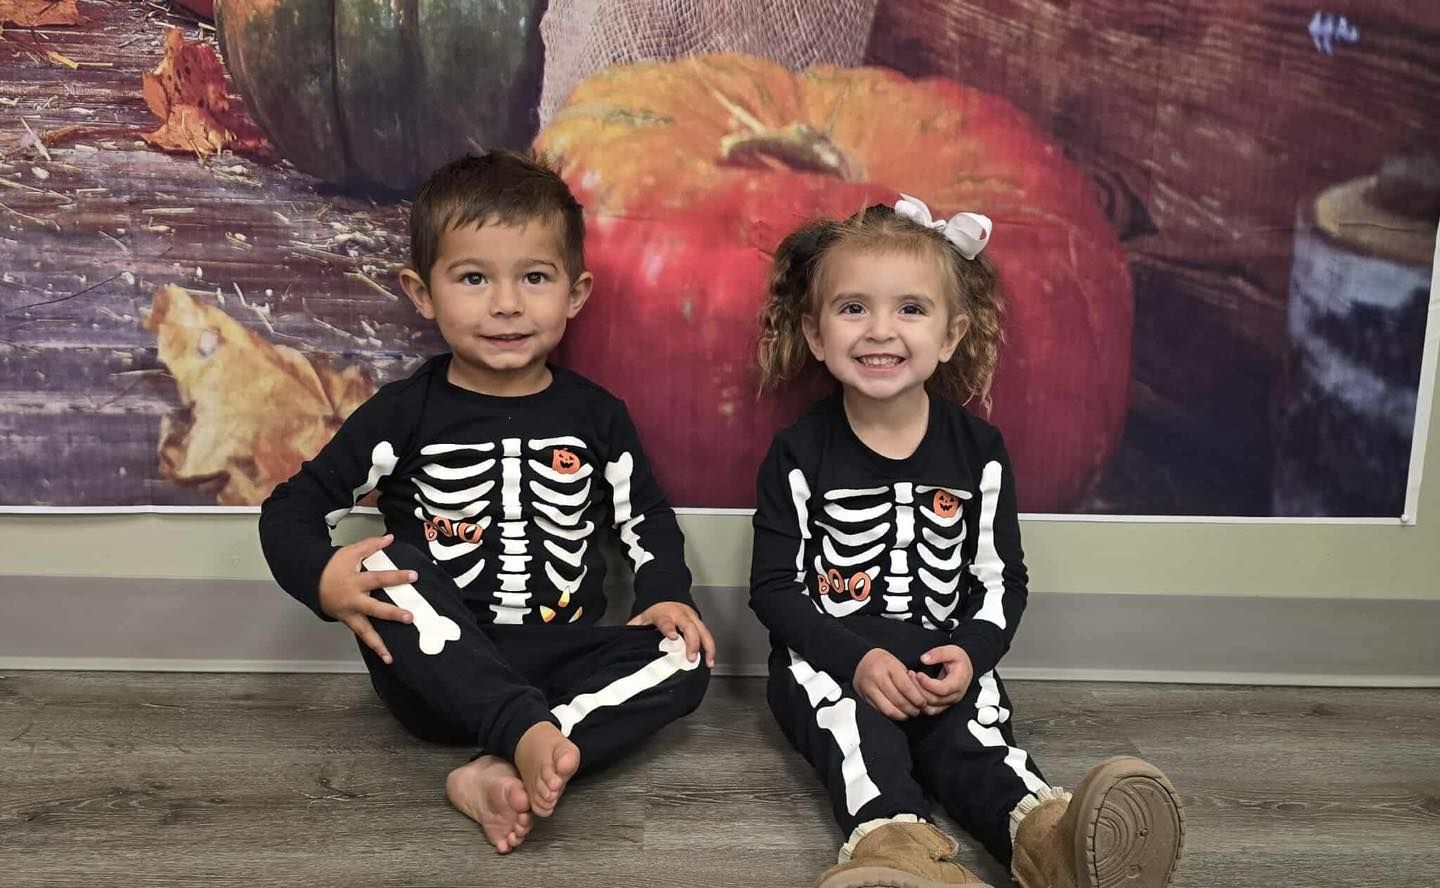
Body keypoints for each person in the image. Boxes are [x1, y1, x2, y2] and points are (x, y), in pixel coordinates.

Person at [260, 151, 714, 855]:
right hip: (433, 676)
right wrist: (324, 579)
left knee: (686, 656)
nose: (507, 304)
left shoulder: (596, 415)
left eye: (535, 277)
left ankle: (500, 763)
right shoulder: (404, 413)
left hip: (563, 661)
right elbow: (292, 508)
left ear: (575, 293)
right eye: (473, 278)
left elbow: (644, 515)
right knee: (388, 562)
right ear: (422, 292)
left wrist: (664, 593)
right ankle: (529, 735)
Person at [749, 196, 1183, 888]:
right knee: (861, 744)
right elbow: (775, 589)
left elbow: (1002, 579)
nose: (880, 330)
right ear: (815, 333)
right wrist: (856, 660)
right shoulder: (799, 453)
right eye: (853, 308)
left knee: (979, 744)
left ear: (951, 335)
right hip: (834, 661)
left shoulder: (978, 451)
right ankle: (896, 853)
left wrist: (972, 654)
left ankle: (1056, 847)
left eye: (910, 309)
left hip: (943, 657)